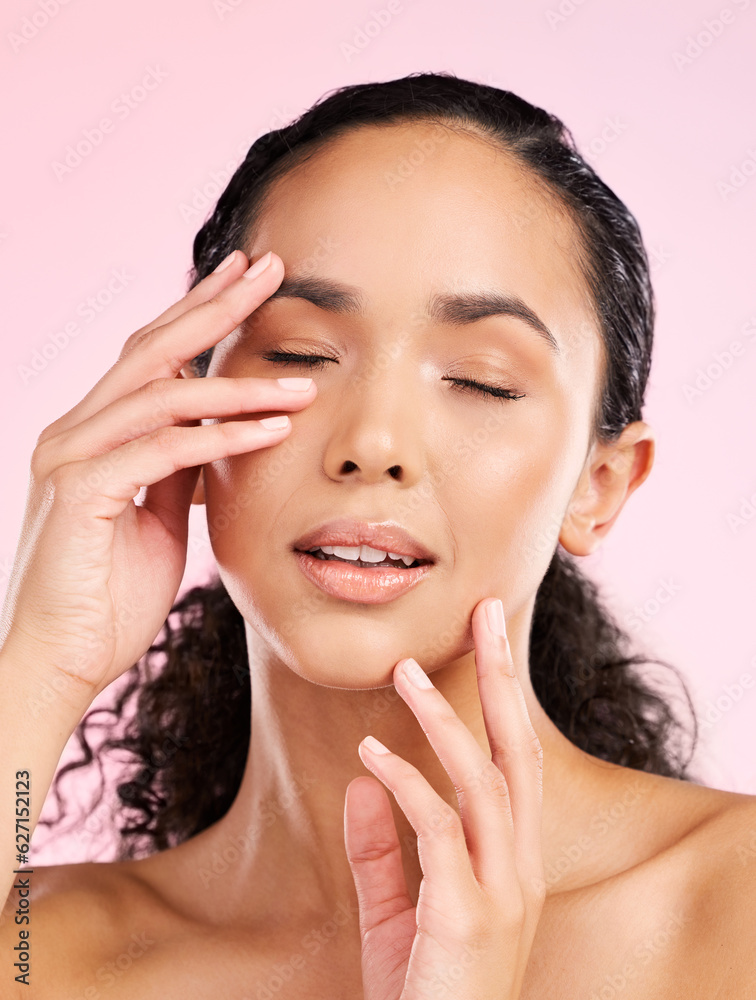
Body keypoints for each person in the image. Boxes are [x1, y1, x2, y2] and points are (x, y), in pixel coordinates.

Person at [1, 71, 754, 998]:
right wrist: (42, 664)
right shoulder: (48, 951)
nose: (373, 444)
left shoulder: (733, 905)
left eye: (482, 380)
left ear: (598, 486)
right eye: (301, 354)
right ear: (187, 413)